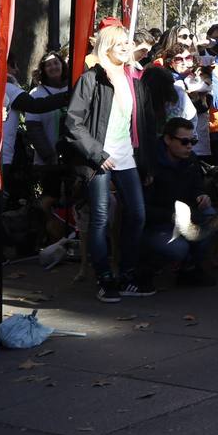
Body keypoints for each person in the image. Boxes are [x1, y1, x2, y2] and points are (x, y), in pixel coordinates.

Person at [61, 22, 159, 302]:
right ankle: (105, 277)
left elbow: (146, 124)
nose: (127, 47)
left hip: (128, 155)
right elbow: (73, 123)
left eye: (128, 42)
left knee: (137, 214)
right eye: (120, 44)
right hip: (99, 159)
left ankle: (127, 274)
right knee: (101, 218)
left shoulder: (135, 78)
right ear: (106, 47)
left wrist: (147, 164)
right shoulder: (91, 78)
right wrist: (96, 154)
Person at [142, 117, 215, 286]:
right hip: (156, 224)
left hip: (185, 217)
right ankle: (148, 265)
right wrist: (170, 216)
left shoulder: (191, 160)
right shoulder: (150, 163)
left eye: (193, 141)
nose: (189, 146)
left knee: (211, 216)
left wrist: (202, 196)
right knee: (178, 248)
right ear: (168, 139)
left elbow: (198, 187)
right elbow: (141, 208)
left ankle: (191, 268)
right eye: (184, 141)